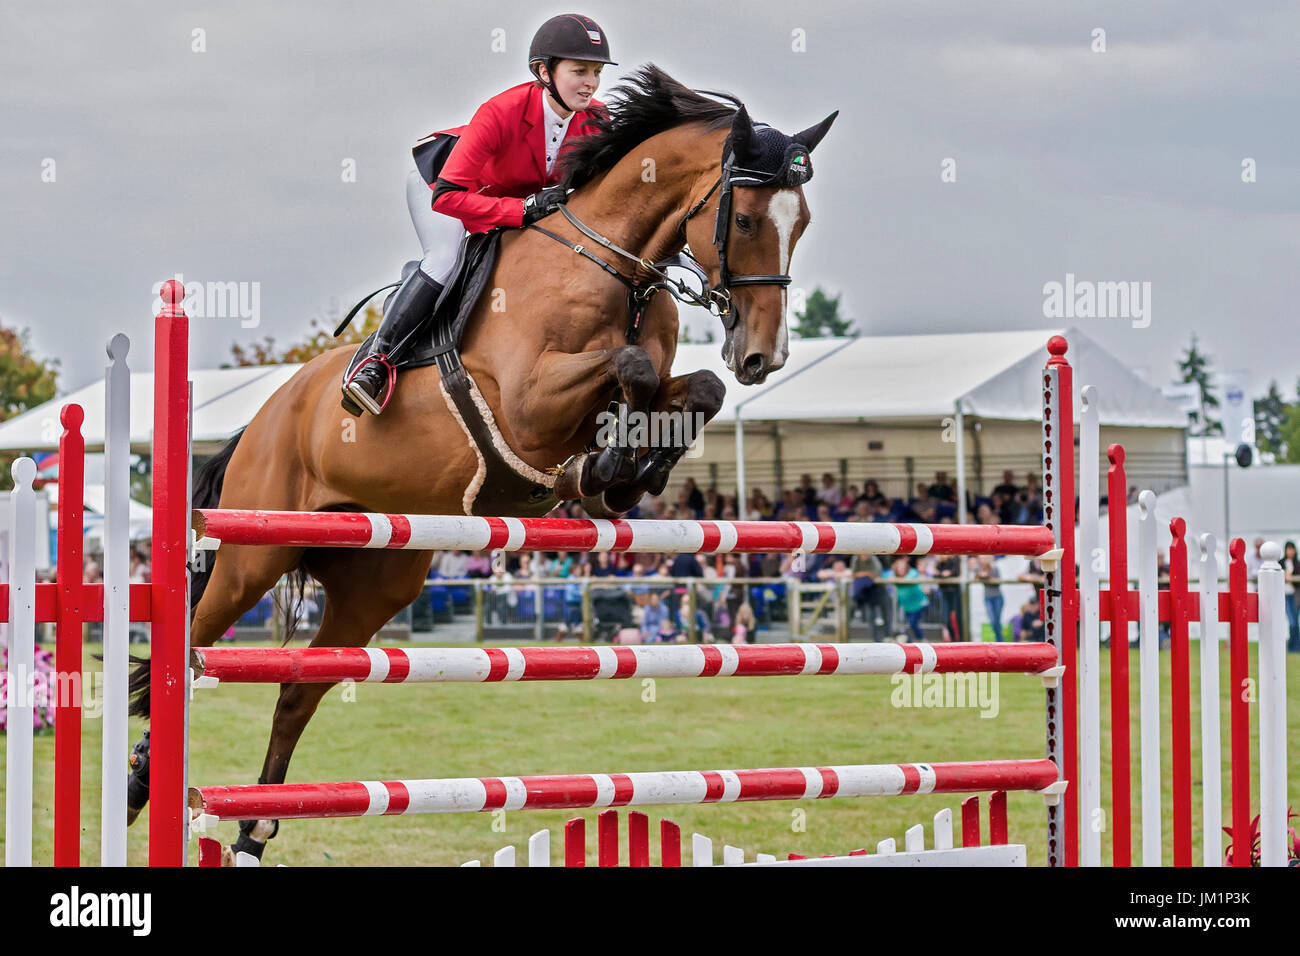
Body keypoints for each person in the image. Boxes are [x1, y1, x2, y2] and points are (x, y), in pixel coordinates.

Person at [343, 14, 614, 414]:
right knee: (445, 259)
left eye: (595, 72)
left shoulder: (598, 120)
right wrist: (521, 210)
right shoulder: (501, 111)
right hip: (441, 183)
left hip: (507, 196)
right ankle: (377, 362)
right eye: (579, 71)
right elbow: (449, 197)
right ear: (543, 71)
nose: (590, 82)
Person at [883, 557, 929, 642]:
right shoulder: (893, 575)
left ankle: (922, 640)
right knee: (909, 625)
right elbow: (884, 576)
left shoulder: (912, 573)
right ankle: (911, 642)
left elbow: (911, 577)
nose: (901, 569)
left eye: (903, 567)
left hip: (919, 604)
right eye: (899, 567)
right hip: (907, 607)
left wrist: (896, 579)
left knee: (913, 623)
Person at [973, 555, 1004, 642]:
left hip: (997, 597)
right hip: (988, 598)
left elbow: (998, 582)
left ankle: (999, 641)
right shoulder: (979, 569)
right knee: (992, 620)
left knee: (996, 621)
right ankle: (1000, 641)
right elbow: (974, 572)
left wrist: (987, 577)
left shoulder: (994, 568)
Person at [1283, 541, 1299, 653]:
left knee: (1295, 622)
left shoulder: (1297, 564)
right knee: (1292, 622)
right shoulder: (1280, 563)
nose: (1290, 551)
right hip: (1285, 596)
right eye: (1288, 549)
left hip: (1295, 596)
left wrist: (1290, 577)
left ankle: (1295, 647)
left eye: (1292, 549)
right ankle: (1292, 647)